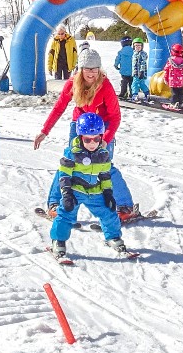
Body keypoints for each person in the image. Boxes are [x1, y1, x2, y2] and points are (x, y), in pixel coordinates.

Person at [34, 47, 140, 221]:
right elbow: (59, 107)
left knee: (105, 166)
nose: (91, 73)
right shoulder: (73, 83)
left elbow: (115, 116)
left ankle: (125, 207)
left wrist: (105, 139)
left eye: (95, 69)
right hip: (80, 125)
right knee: (68, 163)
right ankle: (55, 204)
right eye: (87, 69)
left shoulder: (105, 85)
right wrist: (44, 131)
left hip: (102, 126)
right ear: (81, 69)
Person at [45, 112, 134, 262]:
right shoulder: (72, 153)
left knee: (109, 213)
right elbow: (64, 175)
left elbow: (105, 175)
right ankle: (58, 242)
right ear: (80, 138)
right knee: (65, 215)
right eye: (87, 140)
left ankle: (113, 237)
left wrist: (107, 193)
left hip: (94, 191)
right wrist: (66, 194)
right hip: (75, 191)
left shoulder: (103, 154)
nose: (92, 143)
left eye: (96, 139)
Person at [162, 44, 183, 109]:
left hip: (172, 81)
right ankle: (181, 103)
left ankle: (174, 104)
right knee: (180, 93)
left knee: (174, 93)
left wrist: (165, 78)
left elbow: (166, 70)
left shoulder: (170, 61)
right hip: (180, 82)